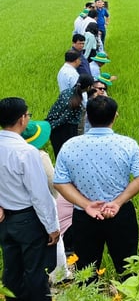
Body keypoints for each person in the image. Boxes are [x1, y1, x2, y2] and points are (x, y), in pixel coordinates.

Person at [53, 96, 139, 275]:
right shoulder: (128, 144)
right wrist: (118, 202)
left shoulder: (70, 146)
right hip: (120, 213)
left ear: (87, 117)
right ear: (115, 117)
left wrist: (86, 204)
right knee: (128, 269)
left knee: (86, 272)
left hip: (85, 216)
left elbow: (60, 182)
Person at [0, 97, 60, 300]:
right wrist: (52, 227)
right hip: (27, 220)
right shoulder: (27, 152)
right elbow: (40, 195)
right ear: (22, 119)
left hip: (5, 221)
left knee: (12, 271)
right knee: (35, 272)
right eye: (28, 115)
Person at [20, 119, 71, 283]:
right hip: (42, 205)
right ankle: (59, 275)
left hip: (18, 209)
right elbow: (53, 182)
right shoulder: (40, 156)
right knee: (55, 241)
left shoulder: (10, 153)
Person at [46, 73, 94, 157]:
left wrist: (48, 123)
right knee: (68, 156)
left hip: (56, 130)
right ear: (89, 87)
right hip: (66, 130)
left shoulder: (66, 92)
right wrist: (50, 126)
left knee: (59, 155)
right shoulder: (76, 102)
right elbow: (63, 119)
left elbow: (55, 109)